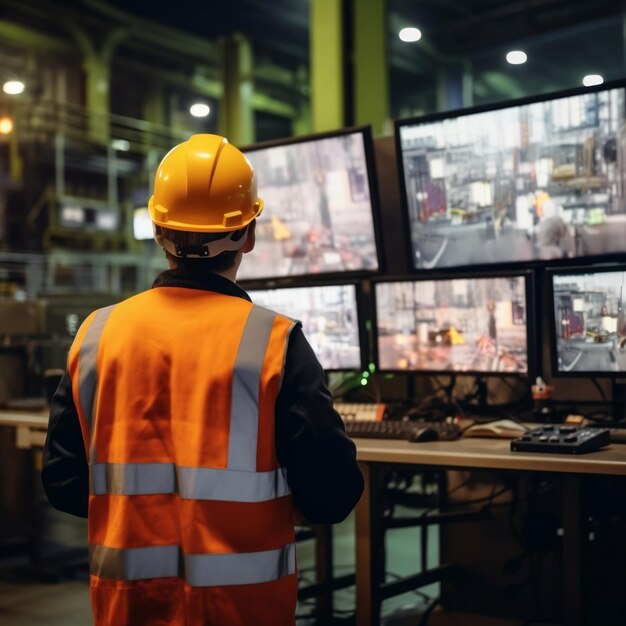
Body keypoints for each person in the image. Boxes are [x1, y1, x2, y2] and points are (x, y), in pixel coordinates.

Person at [41, 134, 364, 626]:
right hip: (241, 609)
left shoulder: (96, 334)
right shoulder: (275, 343)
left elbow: (65, 485)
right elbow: (334, 494)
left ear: (157, 229)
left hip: (128, 608)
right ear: (249, 235)